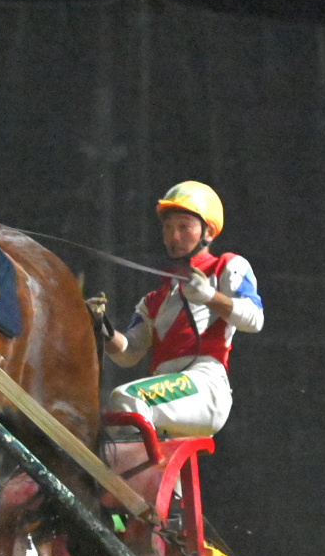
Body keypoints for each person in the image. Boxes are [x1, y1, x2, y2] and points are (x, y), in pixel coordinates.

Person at [93, 181, 263, 440]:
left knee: (126, 398)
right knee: (112, 410)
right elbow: (129, 353)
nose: (174, 237)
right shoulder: (153, 300)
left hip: (205, 385)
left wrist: (209, 295)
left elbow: (255, 319)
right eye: (168, 228)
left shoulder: (227, 266)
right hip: (168, 394)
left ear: (209, 231)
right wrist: (101, 327)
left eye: (184, 227)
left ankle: (121, 480)